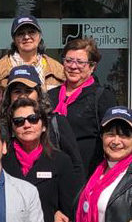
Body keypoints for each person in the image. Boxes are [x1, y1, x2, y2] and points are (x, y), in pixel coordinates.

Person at [0, 65, 85, 179]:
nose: (23, 95)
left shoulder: (56, 122)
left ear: (39, 93)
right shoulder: (1, 126)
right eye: (17, 91)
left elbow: (76, 167)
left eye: (28, 90)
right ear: (9, 96)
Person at [47, 38, 117, 176]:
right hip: (54, 173)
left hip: (88, 173)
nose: (73, 66)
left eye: (80, 62)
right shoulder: (49, 96)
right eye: (69, 60)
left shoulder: (102, 97)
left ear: (92, 67)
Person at [0, 16, 66, 90]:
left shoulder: (58, 69)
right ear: (14, 40)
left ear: (39, 37)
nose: (26, 37)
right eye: (20, 33)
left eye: (31, 32)